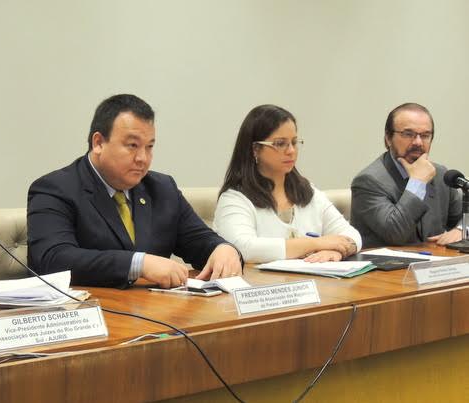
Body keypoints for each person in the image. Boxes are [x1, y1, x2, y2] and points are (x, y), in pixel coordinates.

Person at [28, 94, 242, 288]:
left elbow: (201, 242)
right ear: (99, 143)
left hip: (156, 317)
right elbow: (53, 260)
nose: (143, 158)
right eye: (132, 145)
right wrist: (139, 264)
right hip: (90, 316)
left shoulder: (162, 188)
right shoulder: (55, 189)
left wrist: (223, 249)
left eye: (149, 147)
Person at [214, 104, 361, 263]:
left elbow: (353, 236)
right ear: (255, 149)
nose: (291, 150)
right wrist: (315, 244)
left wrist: (336, 252)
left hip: (314, 284)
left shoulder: (307, 191)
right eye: (280, 143)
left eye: (294, 142)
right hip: (261, 285)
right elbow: (243, 248)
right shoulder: (235, 199)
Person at [351, 103, 462, 248]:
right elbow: (395, 233)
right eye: (408, 134)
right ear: (388, 138)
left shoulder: (441, 175)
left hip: (433, 266)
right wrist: (418, 183)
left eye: (425, 135)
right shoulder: (368, 181)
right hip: (386, 268)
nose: (418, 142)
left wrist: (462, 229)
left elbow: (464, 215)